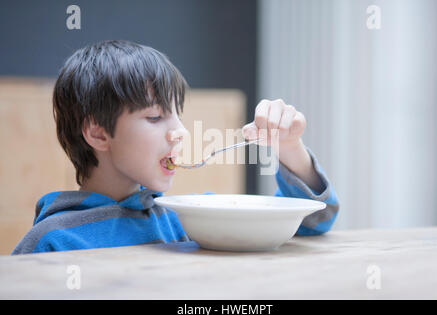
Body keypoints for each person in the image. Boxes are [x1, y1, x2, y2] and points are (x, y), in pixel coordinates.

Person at [12, 40, 339, 255]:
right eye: (155, 117)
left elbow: (314, 223)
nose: (181, 132)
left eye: (178, 116)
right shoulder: (52, 241)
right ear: (98, 134)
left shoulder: (189, 220)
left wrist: (289, 147)